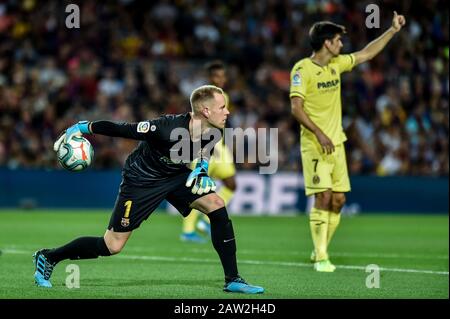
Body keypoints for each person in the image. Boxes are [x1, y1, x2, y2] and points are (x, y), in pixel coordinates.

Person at [33, 85, 264, 294]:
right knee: (112, 245)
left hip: (175, 176)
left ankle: (233, 279)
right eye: (222, 107)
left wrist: (201, 170)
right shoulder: (164, 127)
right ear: (205, 111)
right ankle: (49, 257)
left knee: (216, 204)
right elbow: (122, 129)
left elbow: (205, 150)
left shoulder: (215, 129)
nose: (227, 112)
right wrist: (82, 127)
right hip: (141, 180)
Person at [290, 12, 406, 272]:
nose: (342, 44)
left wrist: (392, 30)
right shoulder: (302, 69)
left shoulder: (337, 64)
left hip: (337, 143)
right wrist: (319, 132)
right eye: (338, 40)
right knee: (323, 197)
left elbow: (366, 53)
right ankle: (321, 257)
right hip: (314, 144)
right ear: (327, 44)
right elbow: (296, 108)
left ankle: (319, 249)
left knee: (339, 200)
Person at [180, 61, 237, 243]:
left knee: (231, 184)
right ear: (209, 78)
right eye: (216, 76)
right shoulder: (201, 97)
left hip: (219, 146)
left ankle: (205, 221)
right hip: (204, 144)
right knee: (195, 189)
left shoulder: (223, 96)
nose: (220, 79)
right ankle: (188, 231)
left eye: (222, 76)